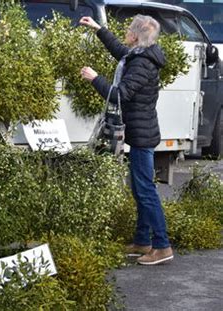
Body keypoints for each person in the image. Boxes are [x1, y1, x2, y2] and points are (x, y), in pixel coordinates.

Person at [79, 15, 173, 265]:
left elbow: (119, 95)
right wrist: (99, 29)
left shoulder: (142, 63)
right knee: (140, 188)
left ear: (136, 36)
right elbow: (120, 51)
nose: (126, 33)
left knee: (145, 191)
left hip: (142, 136)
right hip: (140, 131)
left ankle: (162, 246)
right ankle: (143, 241)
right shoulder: (141, 54)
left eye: (129, 30)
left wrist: (94, 78)